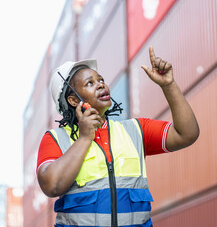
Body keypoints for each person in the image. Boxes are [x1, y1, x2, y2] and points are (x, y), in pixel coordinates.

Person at [36, 46, 200, 227]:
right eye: (89, 83)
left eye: (101, 80)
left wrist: (168, 85)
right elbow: (51, 186)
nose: (100, 84)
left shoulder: (135, 130)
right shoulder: (56, 138)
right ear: (73, 100)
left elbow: (187, 134)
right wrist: (84, 138)